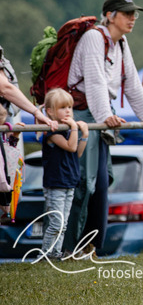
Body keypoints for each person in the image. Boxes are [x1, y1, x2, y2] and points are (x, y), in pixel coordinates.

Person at [64, 0, 143, 255]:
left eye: (134, 13)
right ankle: (68, 248)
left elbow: (132, 84)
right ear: (110, 15)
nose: (133, 18)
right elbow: (95, 83)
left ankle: (90, 246)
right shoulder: (93, 38)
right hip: (84, 116)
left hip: (100, 115)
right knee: (84, 183)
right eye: (126, 13)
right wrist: (103, 118)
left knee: (101, 182)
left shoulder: (120, 42)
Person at [39, 89, 88, 260]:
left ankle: (55, 253)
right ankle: (46, 254)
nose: (68, 111)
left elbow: (78, 153)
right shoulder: (52, 133)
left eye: (69, 107)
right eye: (62, 107)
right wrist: (75, 127)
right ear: (50, 111)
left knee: (63, 224)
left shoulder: (68, 131)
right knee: (56, 223)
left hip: (69, 182)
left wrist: (85, 135)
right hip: (56, 184)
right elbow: (71, 147)